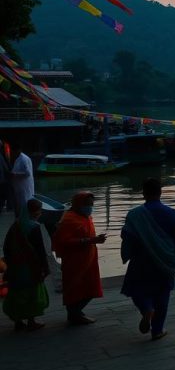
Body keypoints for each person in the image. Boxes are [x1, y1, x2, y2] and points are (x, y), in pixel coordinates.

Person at [120, 178, 175, 341]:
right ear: (160, 192)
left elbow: (127, 237)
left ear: (143, 193)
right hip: (165, 260)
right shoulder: (171, 213)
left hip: (141, 259)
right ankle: (157, 330)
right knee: (162, 294)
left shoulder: (134, 214)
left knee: (136, 289)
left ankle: (146, 309)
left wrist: (127, 253)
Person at [52, 192, 106, 325]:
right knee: (75, 287)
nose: (90, 207)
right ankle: (74, 313)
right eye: (87, 204)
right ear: (78, 204)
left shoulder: (85, 217)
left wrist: (95, 239)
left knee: (91, 287)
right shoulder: (69, 219)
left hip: (89, 259)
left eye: (91, 204)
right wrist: (91, 240)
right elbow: (64, 241)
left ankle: (76, 312)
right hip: (74, 261)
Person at [2, 199, 49, 330]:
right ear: (33, 212)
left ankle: (18, 322)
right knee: (32, 293)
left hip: (16, 267)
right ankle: (31, 321)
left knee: (17, 293)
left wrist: (10, 262)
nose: (39, 213)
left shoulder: (15, 226)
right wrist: (45, 268)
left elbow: (6, 247)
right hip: (31, 267)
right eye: (38, 211)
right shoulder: (34, 227)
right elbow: (40, 251)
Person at [7, 140, 34, 218]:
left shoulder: (24, 159)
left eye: (13, 151)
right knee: (20, 205)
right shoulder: (18, 158)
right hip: (19, 187)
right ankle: (20, 218)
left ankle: (24, 219)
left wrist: (14, 174)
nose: (12, 153)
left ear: (17, 150)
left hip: (24, 187)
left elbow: (27, 173)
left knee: (24, 204)